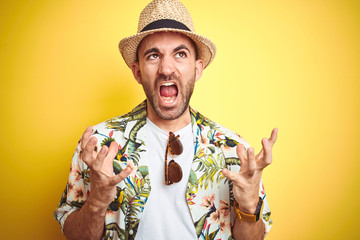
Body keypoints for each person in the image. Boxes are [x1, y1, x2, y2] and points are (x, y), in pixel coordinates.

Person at [54, 0, 278, 239]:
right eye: (153, 56)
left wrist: (248, 208)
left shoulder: (233, 149)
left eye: (180, 54)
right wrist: (97, 202)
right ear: (137, 71)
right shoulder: (98, 146)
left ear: (197, 68)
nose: (166, 69)